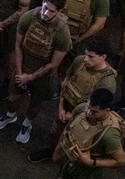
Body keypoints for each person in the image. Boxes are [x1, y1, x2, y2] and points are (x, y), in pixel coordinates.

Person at [35, 87, 125, 179]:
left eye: (95, 111)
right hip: (71, 157)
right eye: (89, 108)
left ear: (107, 110)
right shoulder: (82, 109)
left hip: (88, 169)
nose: (89, 113)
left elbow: (120, 161)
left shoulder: (110, 134)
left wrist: (91, 162)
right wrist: (58, 149)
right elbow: (69, 128)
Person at [0, 0, 71, 144]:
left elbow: (54, 63)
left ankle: (27, 124)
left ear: (59, 12)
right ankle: (10, 116)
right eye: (45, 7)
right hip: (23, 66)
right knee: (13, 97)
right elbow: (18, 46)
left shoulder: (62, 32)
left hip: (43, 73)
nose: (46, 13)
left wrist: (30, 77)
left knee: (36, 101)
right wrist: (21, 73)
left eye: (51, 11)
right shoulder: (28, 17)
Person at [27, 35, 116, 163]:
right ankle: (51, 152)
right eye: (85, 54)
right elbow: (67, 82)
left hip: (85, 118)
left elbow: (99, 110)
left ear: (103, 57)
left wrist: (73, 116)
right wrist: (61, 107)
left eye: (91, 57)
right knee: (55, 132)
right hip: (67, 107)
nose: (86, 59)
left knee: (73, 142)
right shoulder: (79, 61)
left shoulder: (107, 82)